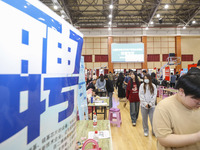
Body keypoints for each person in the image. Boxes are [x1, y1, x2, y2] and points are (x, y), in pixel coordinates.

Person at [153, 70, 200, 150]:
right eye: (197, 101)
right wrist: (197, 137)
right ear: (181, 91)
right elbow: (164, 139)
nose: (199, 104)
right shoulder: (164, 107)